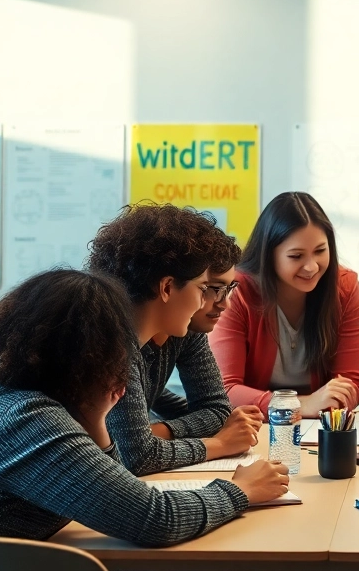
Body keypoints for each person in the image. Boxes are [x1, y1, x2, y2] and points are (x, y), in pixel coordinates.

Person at [0, 269, 289, 571]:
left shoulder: (5, 396)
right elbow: (155, 519)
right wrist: (241, 490)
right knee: (166, 569)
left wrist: (98, 421)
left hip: (0, 569)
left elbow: (117, 489)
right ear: (89, 356)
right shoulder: (26, 420)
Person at [92, 204, 262, 476]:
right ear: (167, 287)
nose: (222, 303)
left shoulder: (179, 331)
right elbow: (137, 456)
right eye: (207, 288)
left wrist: (157, 431)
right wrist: (219, 444)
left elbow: (216, 410)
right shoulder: (113, 345)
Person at [211, 191, 359, 418]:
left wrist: (331, 401)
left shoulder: (344, 287)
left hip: (318, 427)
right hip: (257, 428)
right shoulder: (236, 291)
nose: (311, 267)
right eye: (296, 256)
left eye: (320, 251)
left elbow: (352, 382)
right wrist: (298, 405)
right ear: (269, 254)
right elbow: (225, 390)